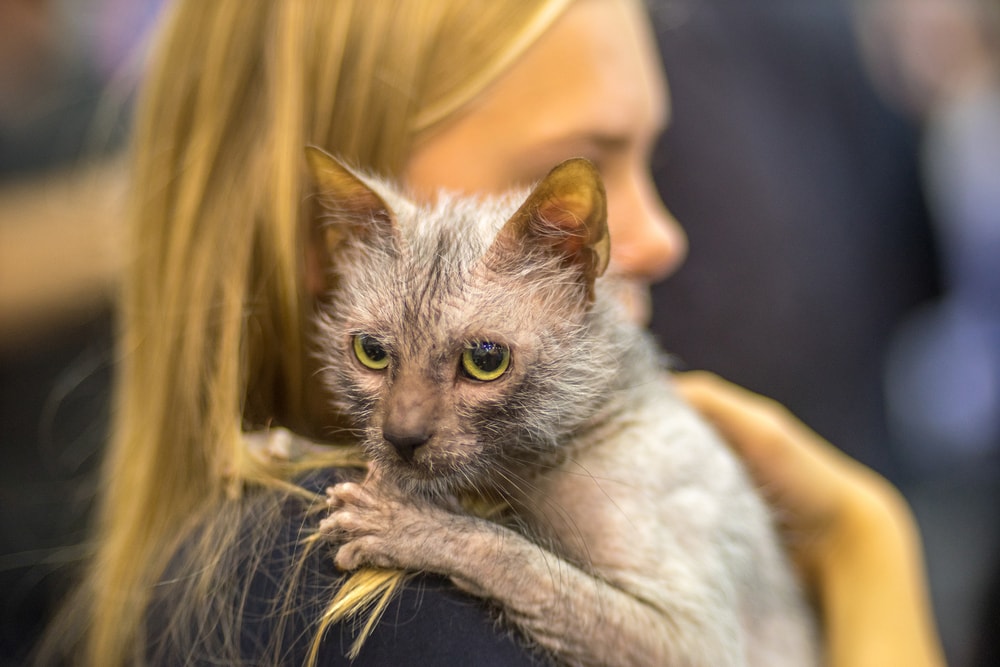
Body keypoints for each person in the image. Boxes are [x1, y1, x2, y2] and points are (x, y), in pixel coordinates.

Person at [38, 1, 946, 666]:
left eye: (651, 157)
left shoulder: (194, 566)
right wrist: (871, 558)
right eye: (573, 170)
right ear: (334, 241)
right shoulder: (371, 610)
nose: (663, 235)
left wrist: (863, 542)